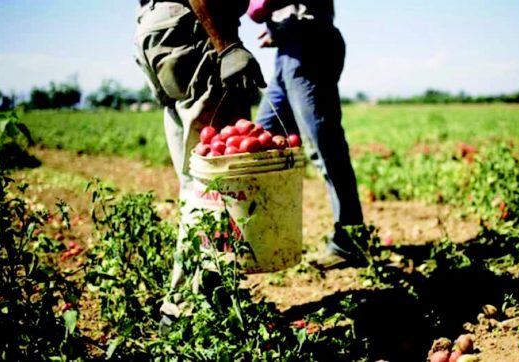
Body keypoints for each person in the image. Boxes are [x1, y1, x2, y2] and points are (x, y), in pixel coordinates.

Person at [133, 0, 265, 331]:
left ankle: (194, 300)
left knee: (196, 181)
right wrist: (227, 46)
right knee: (216, 182)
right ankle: (188, 307)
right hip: (195, 30)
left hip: (159, 31)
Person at [247, 0, 367, 267]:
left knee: (324, 146)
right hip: (287, 49)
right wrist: (279, 28)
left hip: (311, 46)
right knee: (261, 140)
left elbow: (262, 6)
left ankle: (351, 240)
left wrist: (261, 7)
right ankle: (260, 236)